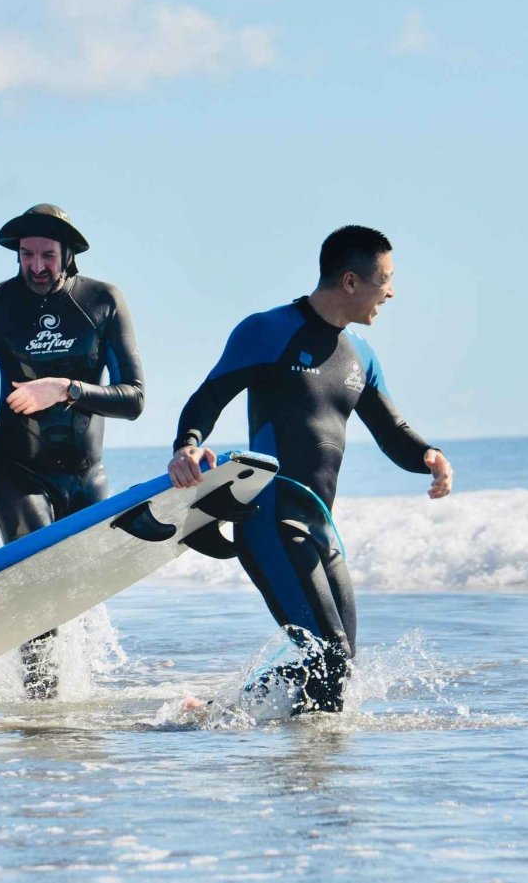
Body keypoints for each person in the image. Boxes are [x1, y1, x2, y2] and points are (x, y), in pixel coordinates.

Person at [168, 225, 452, 712]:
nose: (391, 292)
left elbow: (392, 431)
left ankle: (229, 718)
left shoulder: (360, 355)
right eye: (385, 279)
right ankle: (249, 728)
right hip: (269, 520)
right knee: (329, 656)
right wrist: (188, 446)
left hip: (320, 526)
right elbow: (209, 396)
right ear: (350, 281)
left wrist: (429, 455)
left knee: (338, 666)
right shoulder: (268, 331)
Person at [0, 204, 146, 699]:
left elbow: (134, 399)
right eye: (26, 255)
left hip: (86, 473)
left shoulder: (102, 302)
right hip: (15, 469)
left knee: (77, 592)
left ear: (68, 254)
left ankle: (71, 701)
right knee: (37, 577)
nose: (36, 266)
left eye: (47, 255)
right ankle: (41, 706)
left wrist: (65, 388)